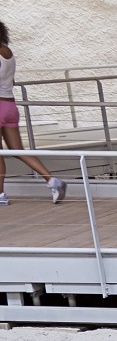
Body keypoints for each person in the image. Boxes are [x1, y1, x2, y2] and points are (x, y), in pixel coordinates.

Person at [0, 22, 67, 207]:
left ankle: (0, 195)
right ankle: (52, 181)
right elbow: (11, 81)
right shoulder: (8, 53)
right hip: (10, 106)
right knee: (17, 150)